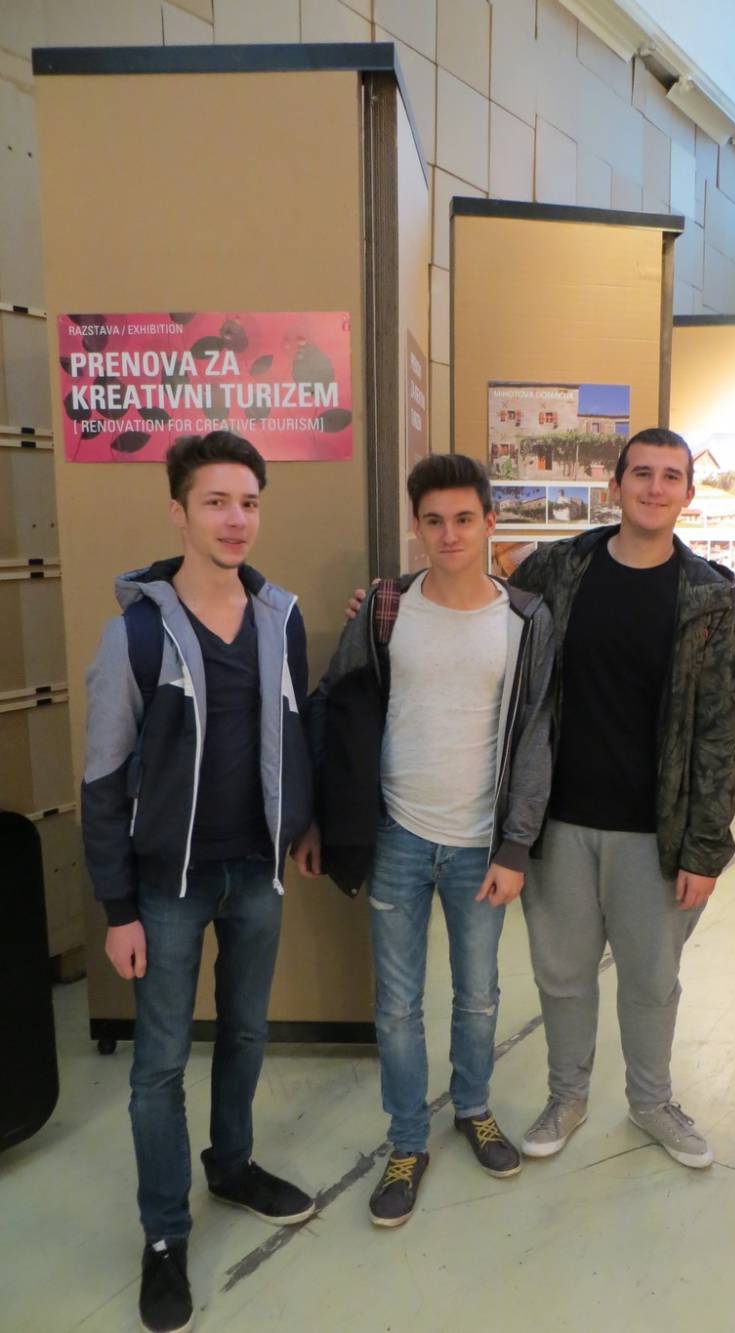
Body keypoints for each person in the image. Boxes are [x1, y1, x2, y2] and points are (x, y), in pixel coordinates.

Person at [81, 431, 316, 1333]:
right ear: (178, 510)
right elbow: (103, 780)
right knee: (159, 1065)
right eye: (216, 501)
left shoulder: (280, 619)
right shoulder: (136, 633)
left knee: (247, 1031)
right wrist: (117, 908)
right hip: (166, 888)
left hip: (255, 871)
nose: (235, 519)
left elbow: (293, 731)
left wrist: (300, 825)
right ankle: (164, 1235)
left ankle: (233, 1163)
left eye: (249, 502)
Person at [298, 453, 554, 1228]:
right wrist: (320, 818)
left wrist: (515, 846)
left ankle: (472, 1106)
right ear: (416, 525)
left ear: (490, 521)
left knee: (478, 995)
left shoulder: (525, 619)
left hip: (480, 844)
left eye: (464, 518)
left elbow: (538, 734)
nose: (449, 534)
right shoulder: (386, 608)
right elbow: (335, 707)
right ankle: (408, 1139)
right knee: (397, 1005)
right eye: (434, 520)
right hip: (397, 836)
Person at [508, 427, 735, 1168]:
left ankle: (651, 1102)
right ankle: (567, 1096)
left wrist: (705, 847)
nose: (654, 487)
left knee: (650, 980)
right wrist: (386, 600)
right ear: (615, 485)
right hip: (560, 822)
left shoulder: (707, 595)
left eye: (670, 476)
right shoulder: (560, 566)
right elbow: (476, 607)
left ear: (688, 493)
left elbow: (722, 727)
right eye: (641, 473)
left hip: (655, 831)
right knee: (562, 974)